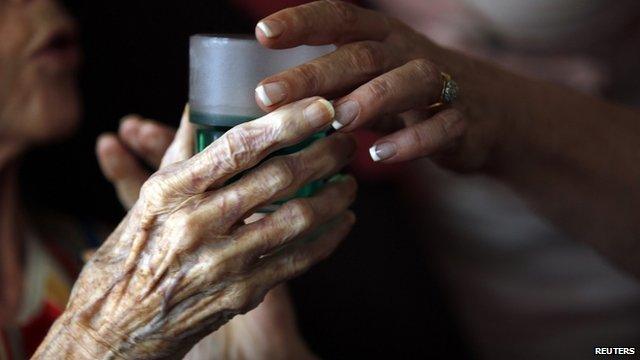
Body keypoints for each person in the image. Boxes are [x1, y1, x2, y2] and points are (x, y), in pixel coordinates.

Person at [1, 0, 355, 358]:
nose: (47, 6)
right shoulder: (126, 291)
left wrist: (270, 352)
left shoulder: (98, 260)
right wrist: (102, 341)